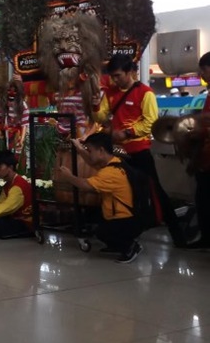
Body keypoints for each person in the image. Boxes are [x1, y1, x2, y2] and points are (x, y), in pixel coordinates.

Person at [92, 55, 179, 242]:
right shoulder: (110, 93)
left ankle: (177, 233)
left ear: (130, 72)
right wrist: (95, 105)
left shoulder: (145, 93)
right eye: (112, 76)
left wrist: (127, 133)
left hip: (139, 150)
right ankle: (125, 235)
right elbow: (100, 117)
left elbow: (151, 122)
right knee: (124, 192)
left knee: (154, 190)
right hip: (118, 152)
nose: (115, 80)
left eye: (118, 75)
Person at [55, 133, 143, 263]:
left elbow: (85, 185)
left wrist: (68, 176)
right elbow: (92, 162)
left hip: (125, 220)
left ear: (101, 150)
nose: (89, 154)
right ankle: (117, 245)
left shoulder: (111, 173)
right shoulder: (115, 162)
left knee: (102, 232)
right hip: (125, 216)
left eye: (90, 150)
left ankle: (129, 247)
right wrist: (79, 148)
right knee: (96, 222)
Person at [193, 52, 210, 247]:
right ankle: (206, 237)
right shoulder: (208, 95)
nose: (202, 75)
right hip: (205, 158)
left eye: (204, 70)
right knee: (203, 199)